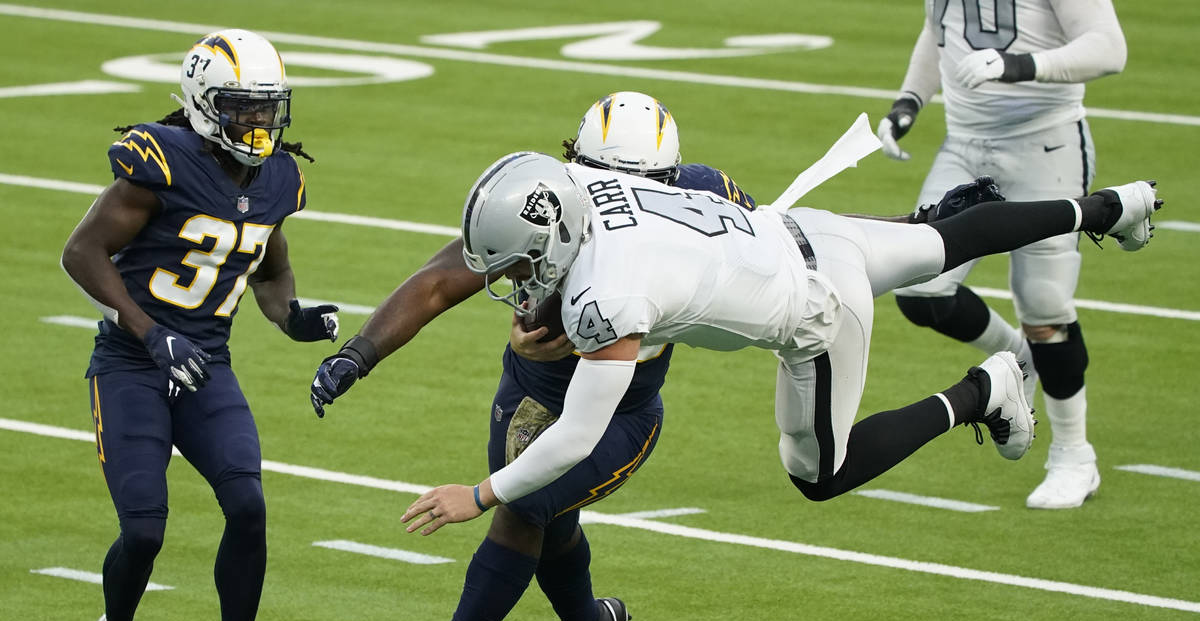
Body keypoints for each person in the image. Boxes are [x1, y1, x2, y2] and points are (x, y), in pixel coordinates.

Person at [400, 153, 1157, 544]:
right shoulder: (584, 186)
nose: (518, 281)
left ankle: (982, 393)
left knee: (818, 473)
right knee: (942, 238)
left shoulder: (607, 297)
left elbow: (575, 436)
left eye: (523, 263)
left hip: (817, 310)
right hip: (809, 229)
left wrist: (479, 496)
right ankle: (1109, 206)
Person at [310, 92, 760, 621]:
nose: (618, 198)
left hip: (620, 413)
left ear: (671, 182)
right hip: (532, 394)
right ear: (575, 167)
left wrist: (913, 233)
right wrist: (360, 353)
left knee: (526, 506)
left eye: (636, 185)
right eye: (602, 182)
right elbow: (443, 277)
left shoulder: (706, 199)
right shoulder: (546, 200)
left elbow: (777, 253)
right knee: (549, 524)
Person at [60, 29, 338, 621]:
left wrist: (291, 318)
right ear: (205, 104)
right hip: (132, 365)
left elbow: (270, 270)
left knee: (248, 505)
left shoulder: (277, 178)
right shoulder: (161, 160)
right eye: (245, 109)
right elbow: (82, 250)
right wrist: (151, 333)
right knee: (144, 529)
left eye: (268, 110)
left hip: (206, 366)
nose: (260, 125)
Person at [875, 0, 1129, 509]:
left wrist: (1020, 66)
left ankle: (1074, 457)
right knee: (920, 285)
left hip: (1046, 142)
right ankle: (1020, 359)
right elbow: (939, 30)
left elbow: (1109, 48)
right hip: (965, 146)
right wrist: (909, 100)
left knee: (1044, 304)